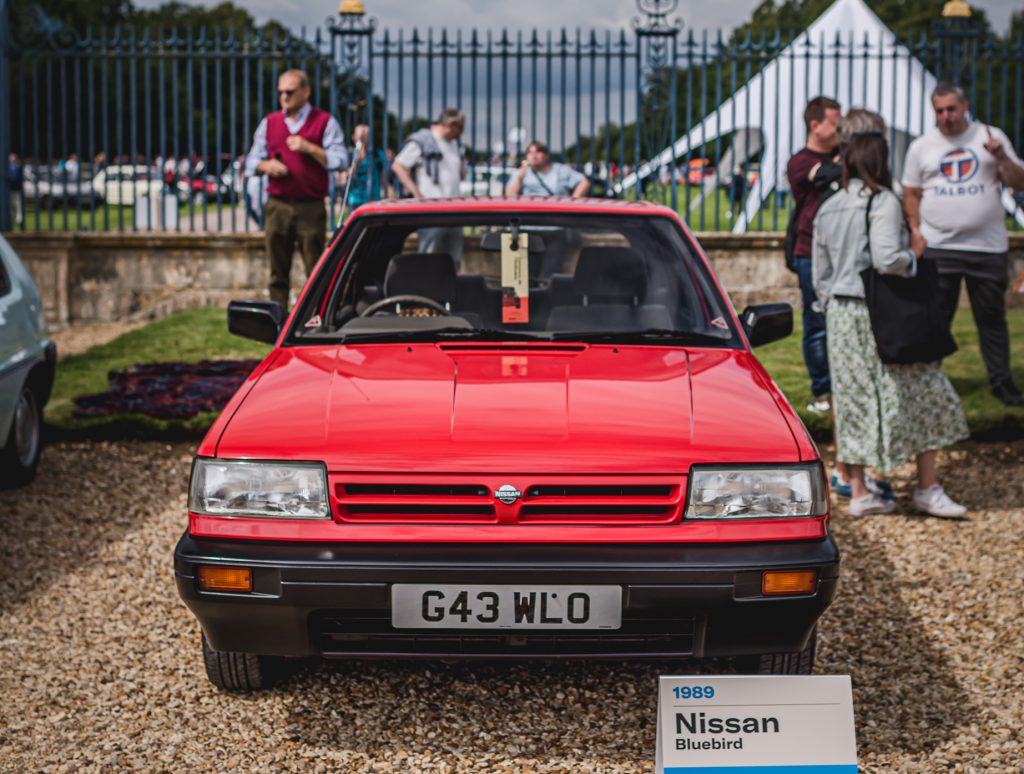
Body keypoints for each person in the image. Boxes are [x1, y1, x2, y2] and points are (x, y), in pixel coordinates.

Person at [812, 110, 969, 518]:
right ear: (880, 161)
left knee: (853, 398)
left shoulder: (828, 206)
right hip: (880, 310)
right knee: (921, 383)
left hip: (842, 313)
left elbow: (821, 274)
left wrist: (833, 303)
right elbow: (886, 260)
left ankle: (860, 489)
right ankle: (927, 484)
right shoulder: (882, 200)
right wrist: (913, 254)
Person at [902, 82, 1024, 407]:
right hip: (939, 246)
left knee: (992, 319)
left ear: (964, 105)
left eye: (951, 109)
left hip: (986, 246)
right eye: (939, 111)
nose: (946, 117)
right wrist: (915, 229)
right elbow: (911, 192)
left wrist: (1000, 158)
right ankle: (929, 383)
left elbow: (1018, 181)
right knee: (937, 319)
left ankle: (1001, 382)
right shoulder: (922, 147)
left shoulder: (989, 136)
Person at [244, 69, 347, 310]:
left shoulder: (324, 122)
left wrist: (310, 148)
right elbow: (251, 161)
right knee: (277, 270)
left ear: (305, 92)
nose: (284, 97)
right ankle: (277, 320)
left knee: (315, 268)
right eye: (280, 92)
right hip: (277, 205)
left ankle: (316, 316)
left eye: (289, 92)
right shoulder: (269, 123)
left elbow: (341, 160)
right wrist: (265, 165)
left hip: (310, 205)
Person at [787, 96, 841, 415]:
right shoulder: (800, 161)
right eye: (835, 123)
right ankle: (821, 390)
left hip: (843, 251)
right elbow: (824, 176)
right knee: (816, 323)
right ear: (815, 125)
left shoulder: (839, 156)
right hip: (810, 251)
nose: (839, 129)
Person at [391, 108, 465, 266]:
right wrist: (417, 194)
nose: (461, 133)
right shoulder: (424, 140)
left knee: (453, 260)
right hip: (433, 210)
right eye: (460, 128)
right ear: (451, 125)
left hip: (455, 210)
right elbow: (398, 166)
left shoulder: (453, 144)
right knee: (429, 257)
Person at [505, 140, 590, 198]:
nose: (534, 156)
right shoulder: (520, 173)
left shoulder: (560, 170)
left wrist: (573, 202)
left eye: (538, 152)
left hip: (556, 217)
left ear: (546, 155)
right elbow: (509, 196)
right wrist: (519, 179)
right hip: (529, 218)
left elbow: (584, 182)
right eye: (530, 152)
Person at [345, 124, 392, 209]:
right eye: (360, 136)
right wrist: (356, 161)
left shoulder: (377, 155)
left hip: (374, 201)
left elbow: (384, 179)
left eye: (366, 135)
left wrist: (389, 196)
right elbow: (345, 178)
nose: (363, 139)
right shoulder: (349, 155)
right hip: (356, 202)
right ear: (354, 137)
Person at [7, 153, 23, 228]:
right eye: (11, 158)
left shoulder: (18, 167)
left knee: (18, 205)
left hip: (17, 189)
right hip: (10, 190)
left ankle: (19, 221)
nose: (13, 160)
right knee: (12, 206)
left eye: (14, 158)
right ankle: (12, 220)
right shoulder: (8, 167)